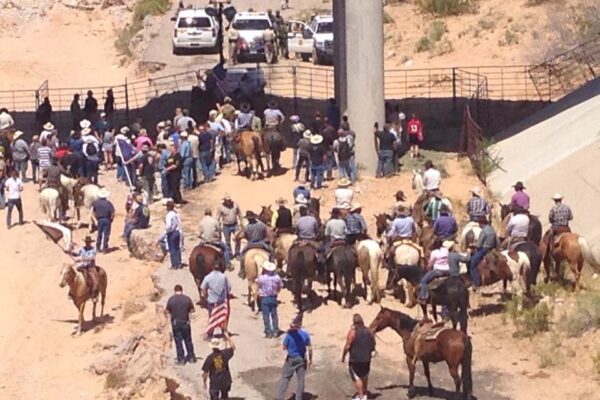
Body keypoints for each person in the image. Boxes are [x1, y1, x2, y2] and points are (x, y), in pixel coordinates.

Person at [276, 314, 313, 400]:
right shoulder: (305, 334)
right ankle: (298, 398)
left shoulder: (290, 334)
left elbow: (284, 347)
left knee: (285, 378)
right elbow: (310, 348)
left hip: (291, 358)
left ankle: (279, 397)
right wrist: (310, 359)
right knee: (300, 380)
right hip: (301, 359)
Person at [341, 314, 376, 400]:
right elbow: (373, 343)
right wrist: (370, 350)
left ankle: (361, 397)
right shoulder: (369, 331)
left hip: (355, 359)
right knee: (365, 376)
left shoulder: (352, 332)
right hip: (367, 359)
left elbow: (347, 346)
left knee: (357, 378)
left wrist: (343, 356)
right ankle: (364, 394)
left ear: (354, 323)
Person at [166, 284, 196, 365]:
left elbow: (167, 311)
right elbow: (193, 310)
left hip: (176, 323)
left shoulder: (171, 300)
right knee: (188, 340)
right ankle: (191, 357)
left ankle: (181, 359)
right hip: (185, 322)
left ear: (175, 291)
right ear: (181, 290)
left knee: (178, 341)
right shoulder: (187, 299)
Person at [200, 264, 231, 338]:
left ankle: (210, 333)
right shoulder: (223, 277)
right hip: (221, 301)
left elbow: (202, 287)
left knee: (211, 317)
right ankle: (224, 332)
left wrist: (205, 296)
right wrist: (225, 294)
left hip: (212, 300)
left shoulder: (208, 277)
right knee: (223, 316)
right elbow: (229, 287)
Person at [202, 333, 235, 400]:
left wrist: (204, 381)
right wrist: (228, 337)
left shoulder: (209, 358)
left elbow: (205, 372)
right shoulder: (225, 353)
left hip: (215, 383)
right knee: (225, 397)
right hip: (225, 380)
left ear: (212, 347)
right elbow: (233, 347)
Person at [239, 211, 271, 279]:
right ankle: (272, 267)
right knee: (272, 253)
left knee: (242, 255)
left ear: (248, 219)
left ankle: (242, 271)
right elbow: (268, 234)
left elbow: (242, 236)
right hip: (262, 244)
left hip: (250, 244)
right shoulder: (262, 225)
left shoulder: (246, 227)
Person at [468, 217, 497, 290]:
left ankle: (476, 283)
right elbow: (497, 241)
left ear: (481, 223)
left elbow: (479, 245)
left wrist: (472, 245)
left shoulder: (484, 231)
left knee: (472, 263)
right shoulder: (492, 229)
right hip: (491, 249)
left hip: (483, 250)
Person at [418, 238, 450, 303]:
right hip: (448, 270)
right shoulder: (446, 250)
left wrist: (427, 267)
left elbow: (430, 264)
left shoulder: (434, 252)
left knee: (423, 281)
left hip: (438, 271)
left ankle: (424, 297)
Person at [257, 261, 283, 338]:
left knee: (266, 315)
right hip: (273, 297)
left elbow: (258, 285)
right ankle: (275, 330)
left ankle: (268, 332)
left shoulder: (261, 278)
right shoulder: (277, 277)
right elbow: (280, 287)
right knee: (274, 315)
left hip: (264, 298)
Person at [217, 194, 243, 260]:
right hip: (226, 226)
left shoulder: (235, 205)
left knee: (238, 239)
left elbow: (240, 213)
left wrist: (241, 222)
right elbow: (218, 217)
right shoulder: (221, 207)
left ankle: (237, 253)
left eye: (230, 199)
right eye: (228, 200)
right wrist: (218, 226)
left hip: (235, 224)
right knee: (227, 241)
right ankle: (230, 254)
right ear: (225, 200)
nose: (229, 201)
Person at [160, 199, 183, 269]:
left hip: (171, 233)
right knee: (177, 248)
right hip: (177, 232)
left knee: (172, 249)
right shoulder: (176, 214)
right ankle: (179, 263)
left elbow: (169, 226)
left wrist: (166, 231)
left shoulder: (169, 215)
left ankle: (174, 264)